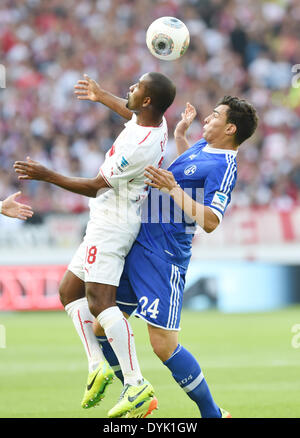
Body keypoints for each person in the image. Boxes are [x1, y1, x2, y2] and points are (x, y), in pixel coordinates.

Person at [14, 72, 176, 418]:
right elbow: (129, 112)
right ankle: (97, 365)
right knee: (69, 291)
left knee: (101, 302)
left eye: (137, 87)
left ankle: (136, 384)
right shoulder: (155, 122)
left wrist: (47, 175)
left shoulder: (137, 145)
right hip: (107, 218)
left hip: (113, 223)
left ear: (148, 101)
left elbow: (94, 186)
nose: (130, 88)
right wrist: (101, 94)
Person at [92, 96, 259, 418]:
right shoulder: (201, 146)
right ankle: (135, 390)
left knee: (163, 345)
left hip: (164, 255)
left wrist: (171, 189)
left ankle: (213, 413)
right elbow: (188, 174)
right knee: (102, 327)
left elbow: (211, 221)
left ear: (230, 128)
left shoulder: (225, 166)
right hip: (141, 241)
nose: (207, 119)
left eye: (215, 115)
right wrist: (181, 135)